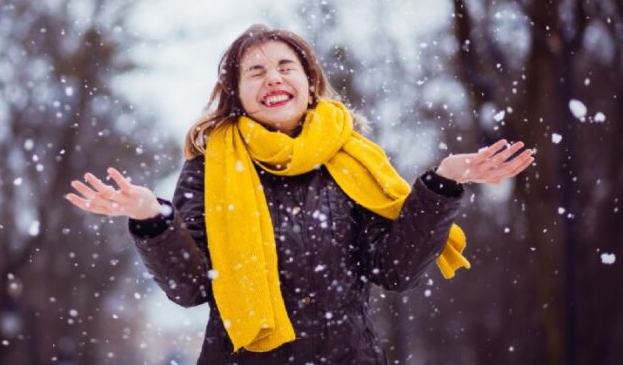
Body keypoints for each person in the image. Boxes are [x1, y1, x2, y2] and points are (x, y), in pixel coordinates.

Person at [65, 24, 535, 364]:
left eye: (286, 66)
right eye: (256, 71)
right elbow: (190, 289)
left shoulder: (353, 158)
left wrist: (442, 185)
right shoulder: (209, 166)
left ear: (309, 83)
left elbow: (395, 270)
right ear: (237, 93)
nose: (273, 78)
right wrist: (153, 219)